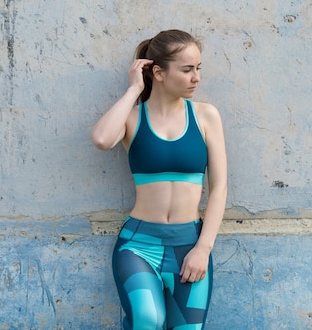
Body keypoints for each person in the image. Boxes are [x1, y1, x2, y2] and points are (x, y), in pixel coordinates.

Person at [91, 29, 227, 330]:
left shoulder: (206, 116)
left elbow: (219, 189)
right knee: (148, 320)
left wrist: (203, 249)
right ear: (158, 72)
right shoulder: (133, 117)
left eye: (198, 69)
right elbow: (101, 139)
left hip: (189, 245)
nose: (196, 78)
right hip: (138, 245)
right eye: (187, 69)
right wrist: (132, 90)